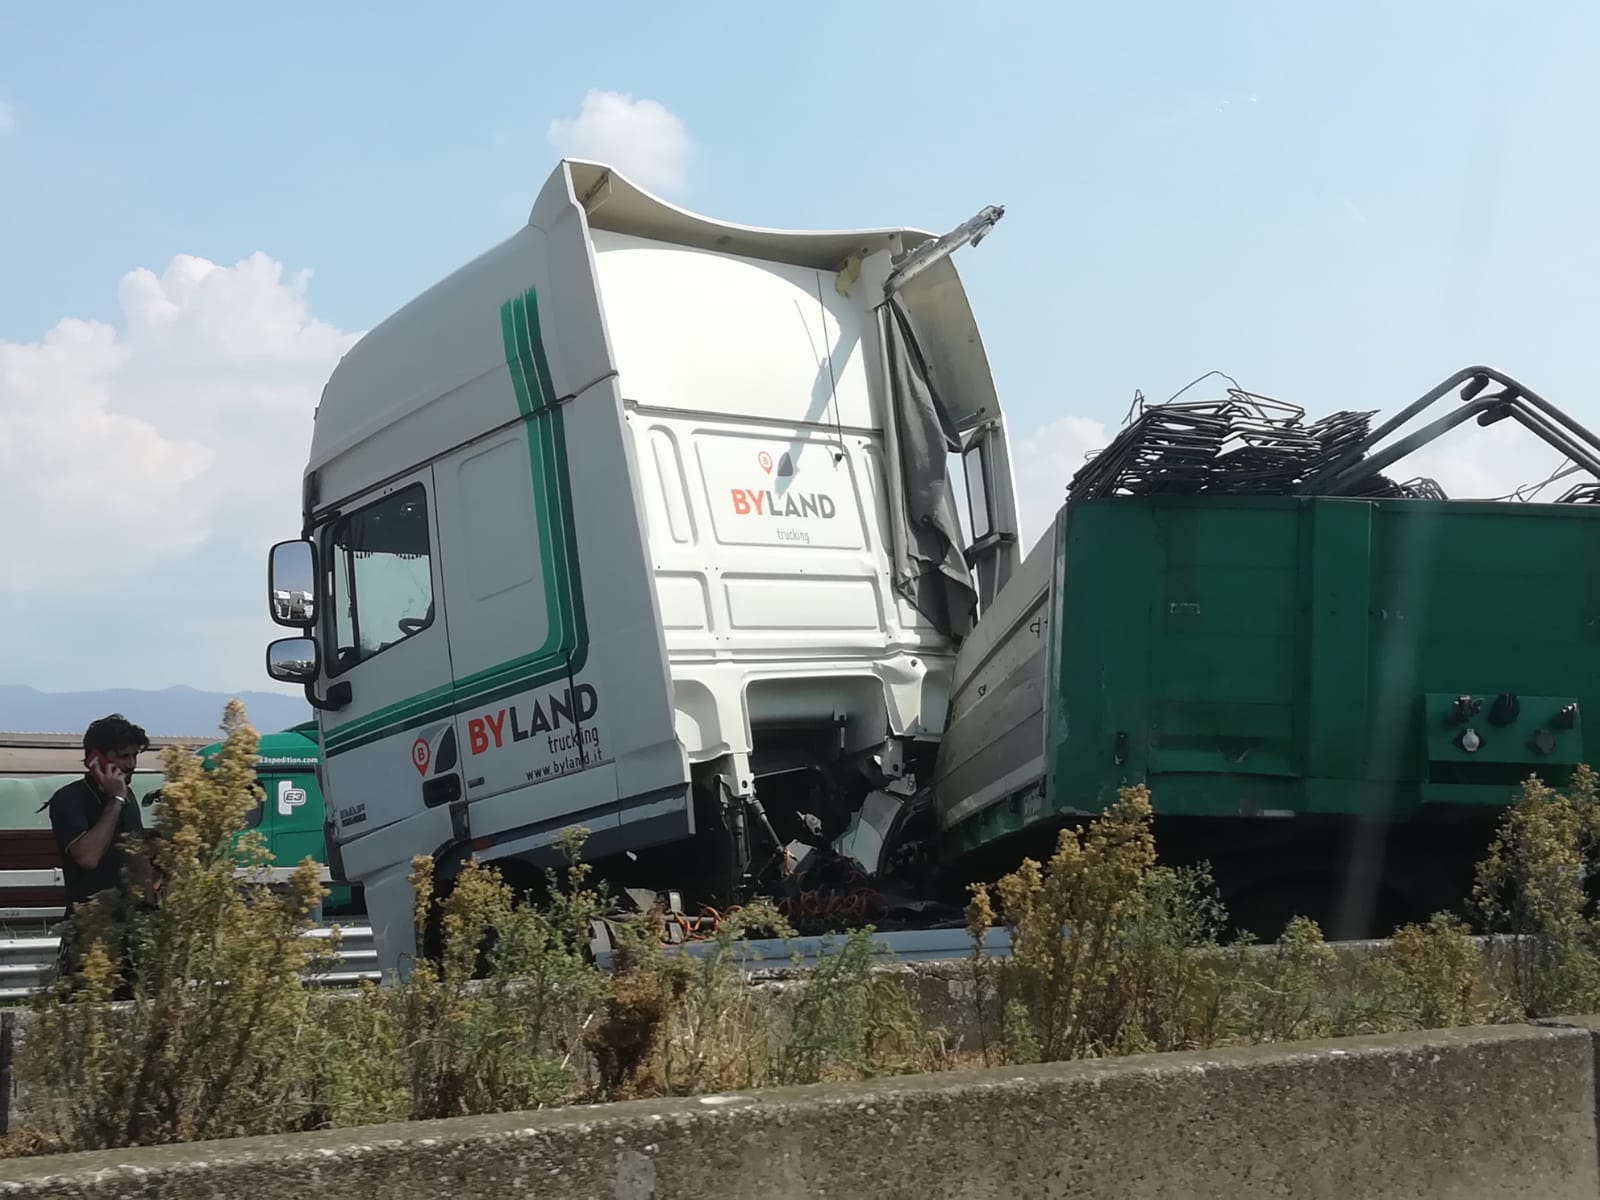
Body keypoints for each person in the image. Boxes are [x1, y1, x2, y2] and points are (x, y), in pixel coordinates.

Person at [47, 714, 152, 981]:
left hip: (129, 931)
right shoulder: (70, 799)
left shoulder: (129, 799)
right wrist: (115, 800)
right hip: (89, 931)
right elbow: (88, 856)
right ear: (96, 758)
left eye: (134, 756)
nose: (131, 764)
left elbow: (137, 858)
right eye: (123, 756)